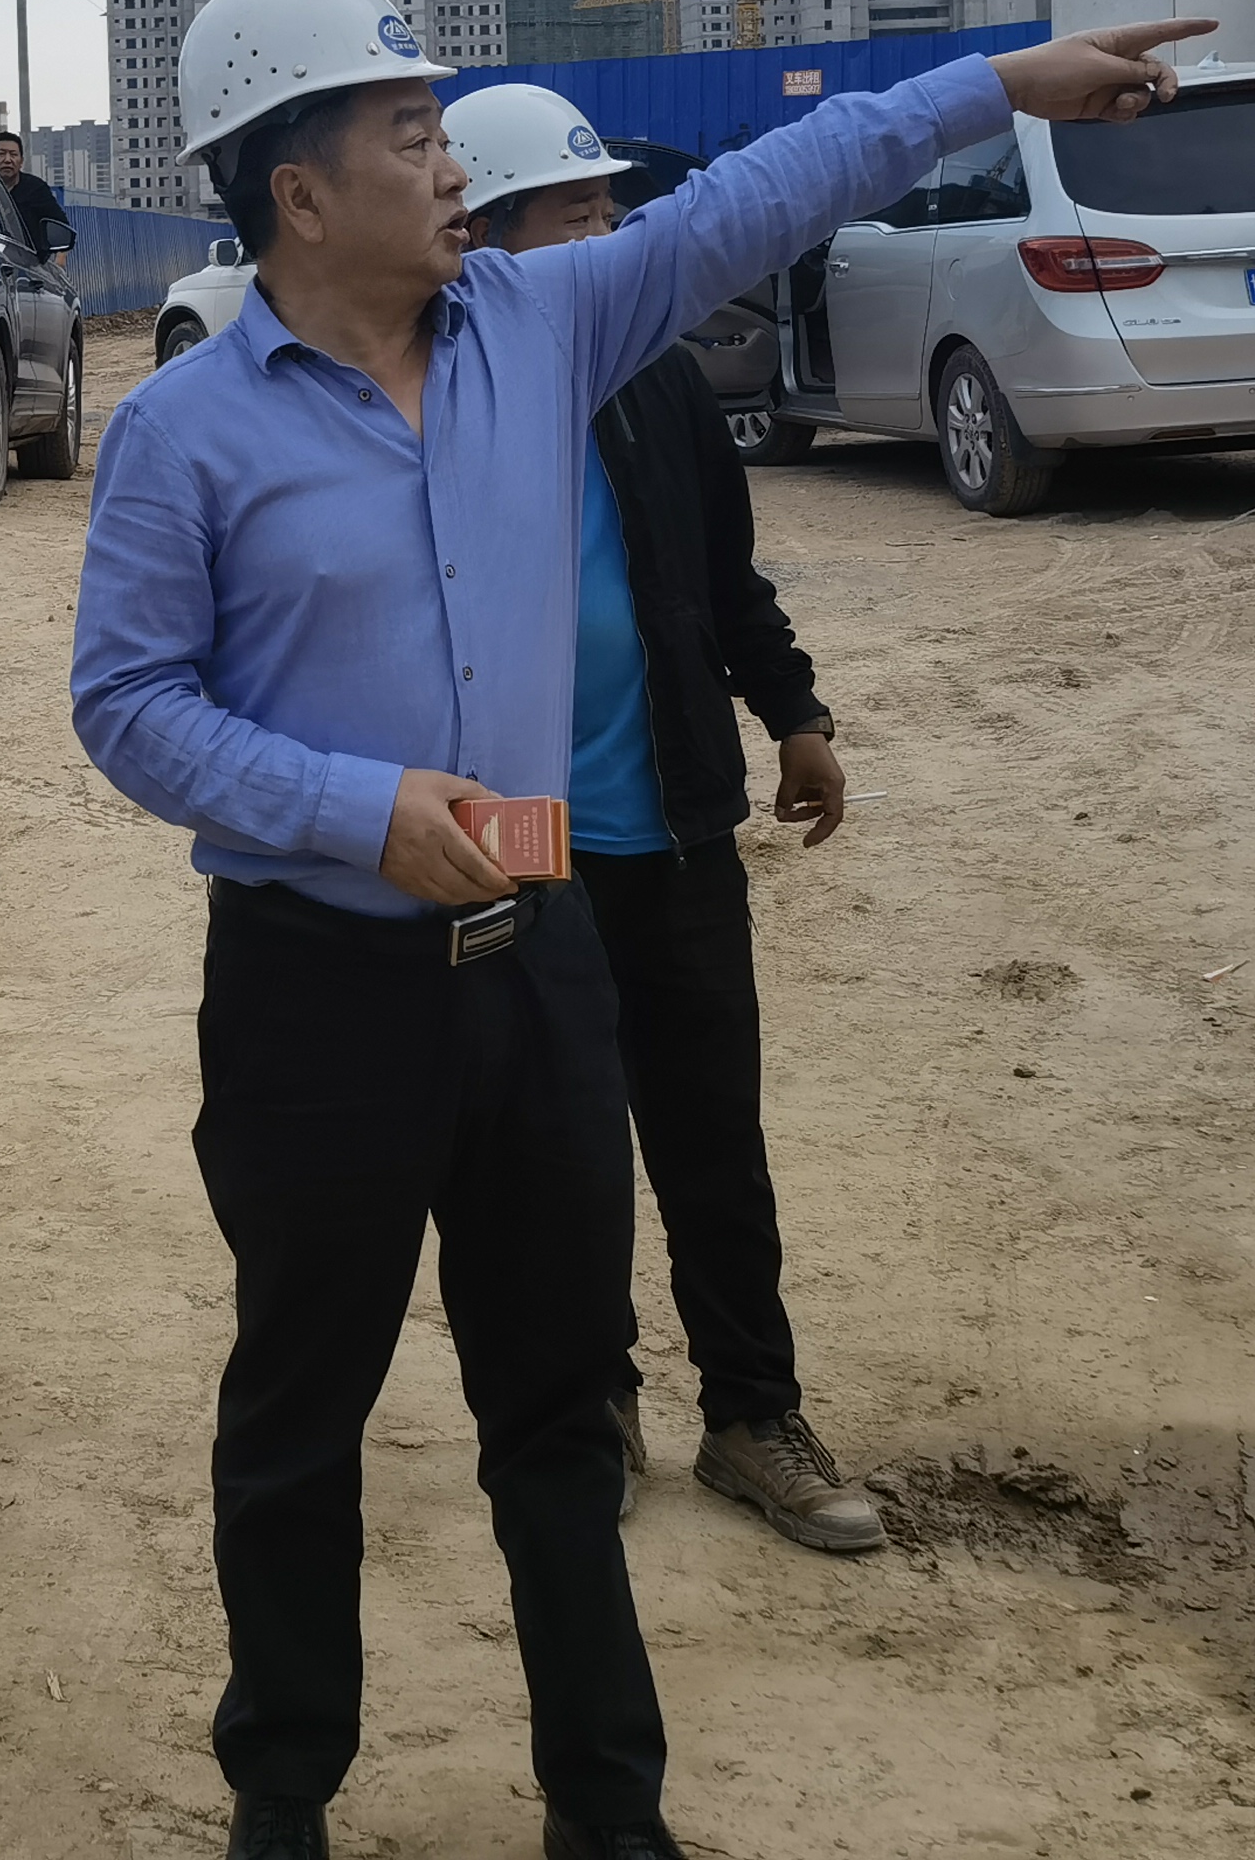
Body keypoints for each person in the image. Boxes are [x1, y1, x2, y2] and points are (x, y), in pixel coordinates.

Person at [69, 0, 1203, 1860]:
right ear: (299, 192)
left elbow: (775, 186)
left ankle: (609, 1811)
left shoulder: (546, 322)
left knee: (556, 1412)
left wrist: (1001, 82)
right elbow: (126, 704)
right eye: (411, 135)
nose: (454, 165)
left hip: (539, 958)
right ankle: (283, 1793)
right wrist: (354, 808)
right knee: (297, 1413)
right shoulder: (185, 429)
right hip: (311, 995)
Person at [439, 83, 878, 1560]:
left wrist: (795, 714)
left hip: (674, 832)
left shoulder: (662, 385)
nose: (613, 236)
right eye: (578, 215)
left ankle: (754, 1416)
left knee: (712, 1148)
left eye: (612, 210)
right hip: (521, 852)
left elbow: (723, 580)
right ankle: (597, 1404)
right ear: (492, 243)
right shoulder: (442, 409)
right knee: (556, 1158)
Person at [0, 128, 74, 262]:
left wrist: (60, 259)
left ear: (21, 161)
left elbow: (61, 227)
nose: (7, 160)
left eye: (13, 154)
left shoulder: (36, 189)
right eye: (1, 154)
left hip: (30, 266)